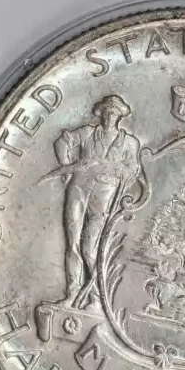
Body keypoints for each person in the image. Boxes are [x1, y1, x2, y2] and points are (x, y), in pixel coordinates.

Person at [51, 95, 145, 309]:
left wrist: (113, 169)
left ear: (120, 116)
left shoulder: (130, 142)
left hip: (104, 195)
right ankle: (72, 293)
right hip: (78, 189)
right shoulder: (87, 132)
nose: (109, 116)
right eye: (106, 112)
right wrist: (67, 168)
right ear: (100, 113)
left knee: (90, 248)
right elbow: (62, 142)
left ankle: (95, 299)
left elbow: (132, 170)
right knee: (72, 244)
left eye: (114, 113)